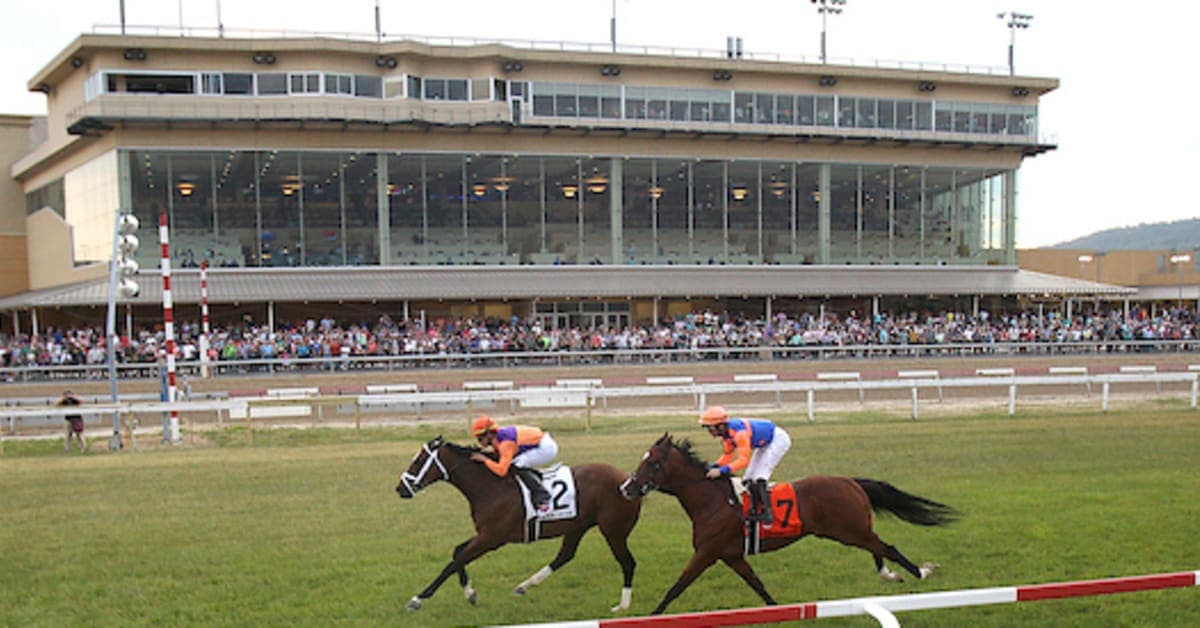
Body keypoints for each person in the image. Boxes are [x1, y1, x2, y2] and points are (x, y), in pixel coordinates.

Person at [699, 405, 791, 523]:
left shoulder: (739, 433)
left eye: (710, 428)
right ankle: (754, 510)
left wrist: (721, 471)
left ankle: (768, 514)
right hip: (764, 443)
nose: (709, 432)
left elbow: (743, 461)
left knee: (759, 477)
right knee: (747, 479)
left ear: (720, 426)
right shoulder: (726, 435)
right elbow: (727, 456)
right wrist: (713, 466)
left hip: (777, 440)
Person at [469, 415, 557, 512]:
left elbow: (502, 471)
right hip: (539, 442)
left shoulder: (505, 444)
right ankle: (536, 477)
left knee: (517, 464)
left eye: (480, 438)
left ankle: (542, 497)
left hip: (545, 448)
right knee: (517, 463)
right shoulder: (499, 438)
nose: (479, 442)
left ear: (489, 434)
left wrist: (485, 460)